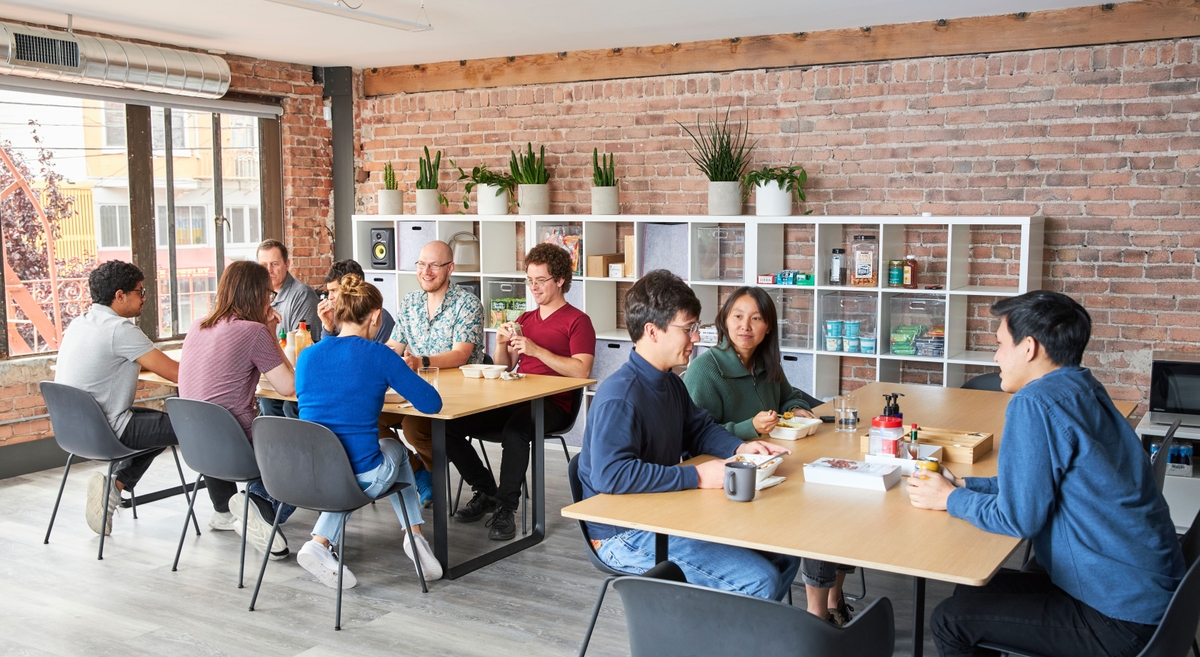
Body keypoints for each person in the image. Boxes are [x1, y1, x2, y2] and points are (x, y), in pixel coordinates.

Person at [908, 291, 1184, 657]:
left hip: (1118, 617)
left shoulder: (1034, 402)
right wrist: (964, 485)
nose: (995, 357)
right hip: (1154, 596)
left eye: (1000, 344)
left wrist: (950, 498)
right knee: (971, 590)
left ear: (1029, 348)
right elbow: (1041, 483)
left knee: (950, 620)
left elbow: (1018, 518)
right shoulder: (1083, 385)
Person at [578, 270, 799, 600]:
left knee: (785, 554)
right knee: (759, 579)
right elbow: (611, 476)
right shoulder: (620, 397)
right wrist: (696, 476)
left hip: (660, 513)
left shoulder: (669, 383)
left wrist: (742, 446)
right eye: (688, 329)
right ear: (652, 331)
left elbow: (699, 429)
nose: (696, 338)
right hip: (621, 534)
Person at [683, 287, 854, 624]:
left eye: (756, 318)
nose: (745, 326)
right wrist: (749, 427)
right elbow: (696, 437)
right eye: (737, 316)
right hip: (730, 483)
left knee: (841, 500)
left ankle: (833, 599)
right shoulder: (706, 370)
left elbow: (790, 397)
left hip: (774, 469)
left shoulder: (765, 363)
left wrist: (798, 409)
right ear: (724, 321)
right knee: (821, 510)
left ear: (768, 328)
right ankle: (817, 617)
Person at [294, 274, 445, 587]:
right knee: (396, 448)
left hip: (309, 474)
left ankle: (322, 543)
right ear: (375, 315)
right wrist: (399, 373)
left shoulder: (308, 354)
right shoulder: (379, 354)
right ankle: (414, 538)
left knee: (367, 460)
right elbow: (431, 404)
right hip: (360, 477)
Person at [447, 243, 594, 541]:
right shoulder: (525, 320)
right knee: (449, 425)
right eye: (530, 280)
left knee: (516, 430)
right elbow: (505, 367)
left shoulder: (578, 321)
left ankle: (505, 508)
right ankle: (486, 490)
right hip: (518, 398)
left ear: (560, 280)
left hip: (554, 404)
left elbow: (582, 371)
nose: (534, 287)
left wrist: (537, 350)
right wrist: (501, 343)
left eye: (540, 281)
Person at [178, 260, 295, 561]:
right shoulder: (254, 331)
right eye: (268, 294)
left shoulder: (198, 325)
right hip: (236, 445)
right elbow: (289, 387)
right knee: (305, 454)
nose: (270, 300)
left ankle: (234, 508)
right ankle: (259, 506)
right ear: (257, 295)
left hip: (197, 446)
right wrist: (270, 333)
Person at [54, 260, 181, 536]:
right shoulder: (120, 330)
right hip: (108, 431)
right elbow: (176, 374)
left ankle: (115, 487)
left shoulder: (79, 323)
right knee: (189, 426)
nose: (144, 298)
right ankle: (223, 510)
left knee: (161, 425)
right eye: (140, 291)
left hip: (73, 431)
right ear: (120, 295)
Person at [383, 240, 484, 507]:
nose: (426, 271)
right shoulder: (410, 302)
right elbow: (394, 346)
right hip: (412, 389)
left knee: (413, 426)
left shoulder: (468, 304)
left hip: (456, 393)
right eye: (421, 264)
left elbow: (461, 354)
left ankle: (431, 473)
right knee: (368, 415)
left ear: (450, 268)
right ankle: (418, 469)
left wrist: (421, 361)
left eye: (434, 266)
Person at [257, 239, 319, 419]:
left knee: (280, 404)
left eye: (274, 264)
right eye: (263, 265)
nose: (269, 270)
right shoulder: (258, 295)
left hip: (297, 374)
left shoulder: (302, 294)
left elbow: (301, 345)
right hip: (268, 373)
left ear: (287, 264)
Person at [317, 259, 395, 342]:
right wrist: (329, 327)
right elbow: (324, 351)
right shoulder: (333, 314)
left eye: (334, 290)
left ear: (352, 287)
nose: (329, 297)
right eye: (328, 291)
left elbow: (378, 352)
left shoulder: (380, 318)